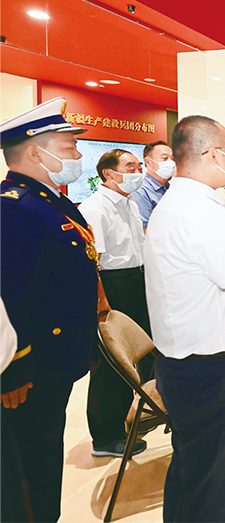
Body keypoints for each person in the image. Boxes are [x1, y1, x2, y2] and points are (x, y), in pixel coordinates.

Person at [144, 115, 225, 522]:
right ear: (214, 154)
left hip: (180, 362)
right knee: (210, 482)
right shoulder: (204, 213)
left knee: (191, 471)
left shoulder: (174, 204)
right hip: (210, 369)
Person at [1, 98, 106, 522]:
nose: (78, 155)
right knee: (31, 465)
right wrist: (13, 370)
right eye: (69, 147)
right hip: (31, 368)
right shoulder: (14, 209)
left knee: (45, 452)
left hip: (55, 360)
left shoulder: (49, 202)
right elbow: (8, 297)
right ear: (34, 152)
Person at [79, 149, 151, 458]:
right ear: (109, 173)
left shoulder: (129, 203)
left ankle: (129, 417)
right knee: (111, 362)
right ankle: (106, 437)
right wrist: (101, 303)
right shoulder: (96, 208)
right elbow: (91, 262)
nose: (138, 172)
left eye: (139, 166)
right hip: (112, 286)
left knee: (135, 356)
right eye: (130, 166)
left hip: (135, 281)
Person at [130, 140, 174, 229]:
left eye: (172, 158)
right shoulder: (141, 191)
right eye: (165, 158)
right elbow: (144, 229)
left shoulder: (172, 188)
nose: (171, 162)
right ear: (148, 161)